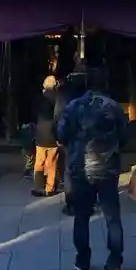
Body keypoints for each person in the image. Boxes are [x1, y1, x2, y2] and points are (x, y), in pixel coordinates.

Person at [57, 67, 127, 270]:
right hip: (108, 167)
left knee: (82, 216)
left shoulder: (75, 105)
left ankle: (83, 259)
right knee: (112, 216)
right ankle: (115, 261)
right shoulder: (115, 107)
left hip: (81, 168)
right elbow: (125, 137)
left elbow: (61, 133)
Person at [54, 71, 88, 215]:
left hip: (70, 140)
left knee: (69, 171)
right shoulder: (90, 98)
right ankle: (85, 202)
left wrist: (59, 137)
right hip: (87, 140)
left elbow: (58, 118)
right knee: (86, 171)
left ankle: (71, 203)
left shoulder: (64, 97)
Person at [32, 76, 59, 197]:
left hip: (41, 132)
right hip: (53, 133)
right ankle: (50, 187)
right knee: (52, 162)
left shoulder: (39, 98)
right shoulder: (58, 98)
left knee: (39, 161)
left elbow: (34, 112)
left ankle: (38, 187)